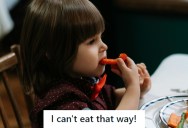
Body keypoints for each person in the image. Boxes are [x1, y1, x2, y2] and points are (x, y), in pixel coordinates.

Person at [20, 0, 151, 127]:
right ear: (54, 53)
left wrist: (138, 89)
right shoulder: (63, 106)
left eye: (101, 37)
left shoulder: (81, 79)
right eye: (91, 41)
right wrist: (133, 88)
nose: (104, 46)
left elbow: (108, 98)